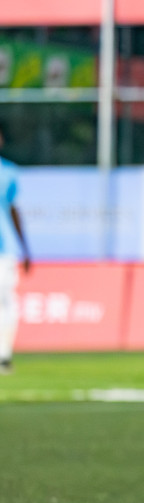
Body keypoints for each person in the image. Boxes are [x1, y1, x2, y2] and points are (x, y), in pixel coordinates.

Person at [0, 123, 31, 374]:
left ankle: (3, 355)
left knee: (6, 302)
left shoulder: (8, 171)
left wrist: (25, 249)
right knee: (6, 303)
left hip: (4, 249)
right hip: (5, 249)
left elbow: (13, 209)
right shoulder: (8, 171)